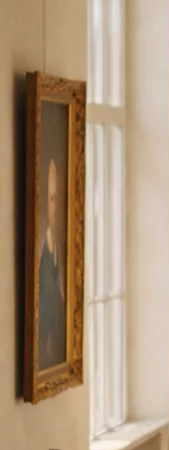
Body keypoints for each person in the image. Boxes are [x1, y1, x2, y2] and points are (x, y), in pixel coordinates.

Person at [37, 156, 66, 369]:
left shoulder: (59, 247)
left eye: (56, 198)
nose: (54, 206)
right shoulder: (41, 246)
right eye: (51, 199)